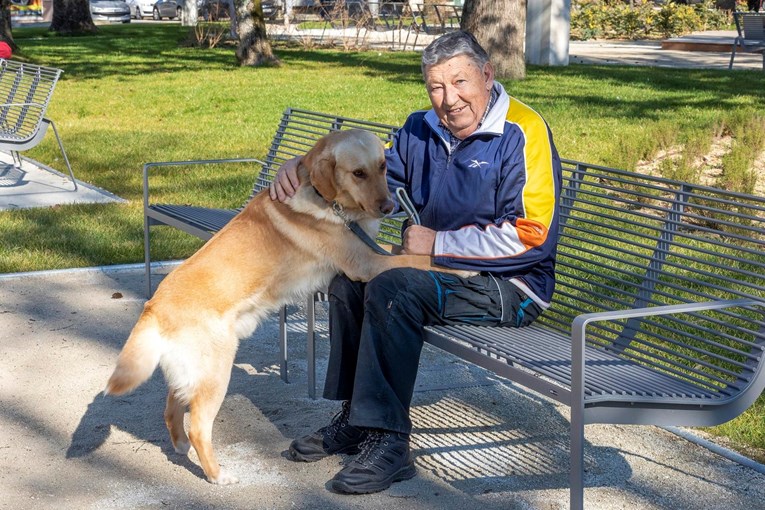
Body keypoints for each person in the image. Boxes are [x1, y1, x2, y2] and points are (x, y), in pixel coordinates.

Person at [270, 30, 562, 495]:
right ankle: (356, 418)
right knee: (351, 279)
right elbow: (369, 176)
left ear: (487, 75)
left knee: (392, 288)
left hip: (508, 285)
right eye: (436, 87)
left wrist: (437, 242)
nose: (449, 100)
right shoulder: (420, 128)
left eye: (461, 82)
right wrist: (302, 168)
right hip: (437, 269)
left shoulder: (521, 133)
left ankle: (389, 442)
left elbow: (534, 237)